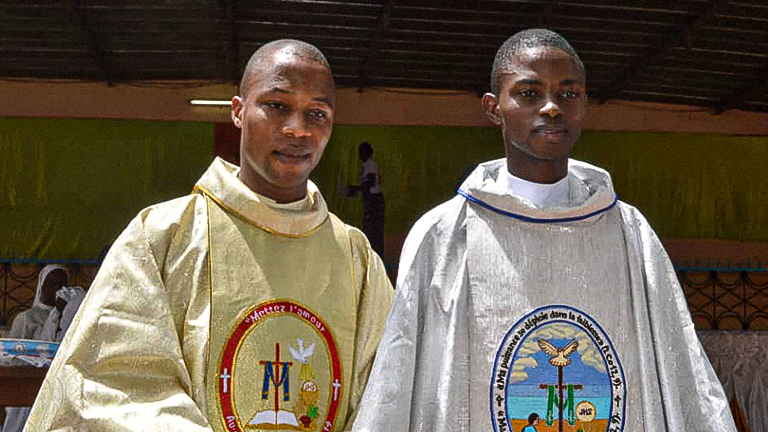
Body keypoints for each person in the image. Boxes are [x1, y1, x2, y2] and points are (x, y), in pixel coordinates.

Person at [352, 29, 736, 432]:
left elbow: (683, 371)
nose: (552, 108)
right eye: (529, 93)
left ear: (584, 104)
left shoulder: (629, 232)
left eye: (568, 94)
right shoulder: (444, 235)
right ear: (493, 108)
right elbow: (397, 381)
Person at [25, 39, 393, 432]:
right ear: (238, 111)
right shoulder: (162, 236)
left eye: (317, 113)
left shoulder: (357, 259)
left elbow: (389, 392)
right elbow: (112, 388)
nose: (297, 129)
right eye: (276, 105)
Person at [3, 265, 67, 432]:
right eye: (52, 284)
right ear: (42, 287)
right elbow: (12, 354)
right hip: (26, 380)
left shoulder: (70, 318)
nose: (57, 290)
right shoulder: (26, 318)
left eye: (62, 285)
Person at [344, 142, 385, 257]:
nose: (360, 155)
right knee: (373, 231)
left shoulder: (369, 165)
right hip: (372, 200)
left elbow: (370, 183)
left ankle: (375, 257)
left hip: (374, 201)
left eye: (362, 152)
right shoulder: (369, 165)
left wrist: (355, 188)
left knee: (373, 232)